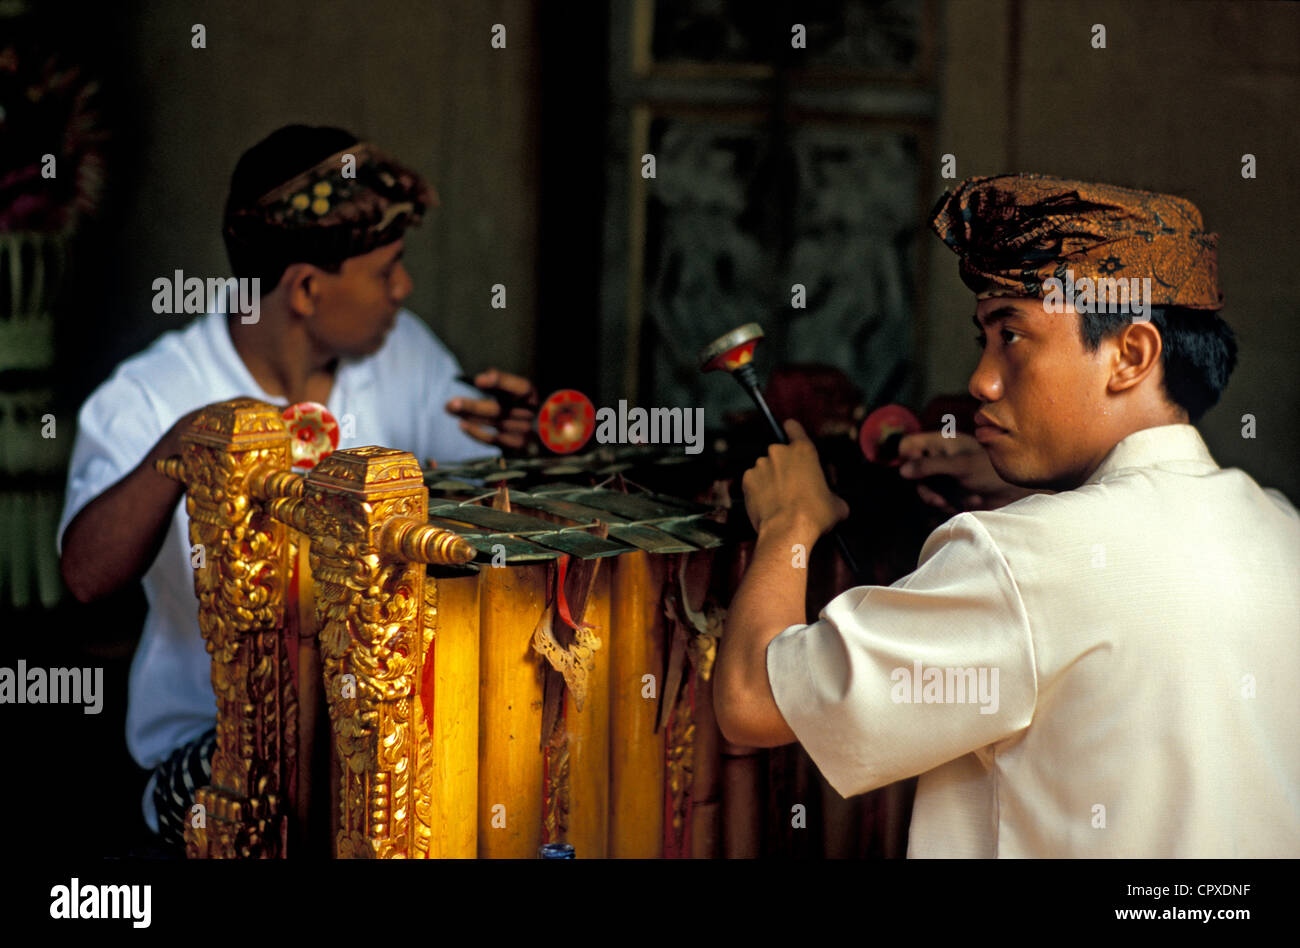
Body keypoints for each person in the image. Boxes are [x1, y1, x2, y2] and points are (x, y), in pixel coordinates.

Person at [715, 173, 1300, 857]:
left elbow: (753, 701)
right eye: (982, 340)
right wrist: (1027, 507)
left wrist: (788, 524)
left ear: (1130, 356)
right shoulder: (1280, 529)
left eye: (1013, 336)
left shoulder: (1024, 560)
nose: (981, 381)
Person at [57, 125, 537, 850]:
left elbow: (490, 503)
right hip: (209, 743)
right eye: (386, 271)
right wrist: (185, 446)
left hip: (373, 724)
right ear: (307, 288)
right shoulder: (153, 397)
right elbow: (87, 577)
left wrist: (519, 440)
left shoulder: (402, 354)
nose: (402, 291)